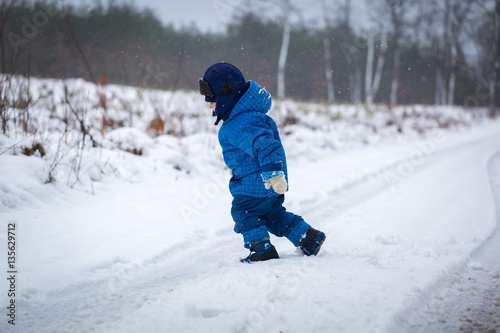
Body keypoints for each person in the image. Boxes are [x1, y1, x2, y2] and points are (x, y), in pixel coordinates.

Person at [199, 62, 326, 263]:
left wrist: (273, 174)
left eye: (212, 100)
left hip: (255, 184)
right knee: (271, 215)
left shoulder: (239, 123)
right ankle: (307, 237)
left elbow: (267, 146)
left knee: (244, 212)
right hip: (268, 183)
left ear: (226, 96)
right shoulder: (249, 117)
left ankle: (261, 249)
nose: (210, 106)